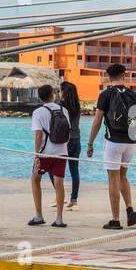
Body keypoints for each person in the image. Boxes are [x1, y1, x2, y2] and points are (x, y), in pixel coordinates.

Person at [86, 62, 136, 230]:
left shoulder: (106, 94)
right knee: (123, 176)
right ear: (124, 76)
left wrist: (90, 143)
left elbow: (97, 122)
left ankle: (115, 220)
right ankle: (129, 208)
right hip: (131, 142)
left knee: (113, 180)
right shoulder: (133, 94)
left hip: (113, 141)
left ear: (109, 77)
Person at [29, 83, 69, 228]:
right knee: (59, 184)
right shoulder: (63, 109)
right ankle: (59, 218)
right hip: (62, 151)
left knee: (35, 180)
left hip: (45, 152)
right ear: (53, 95)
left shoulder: (38, 112)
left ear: (40, 97)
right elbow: (68, 132)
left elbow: (38, 134)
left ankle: (39, 215)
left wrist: (37, 154)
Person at [57, 71, 82, 211]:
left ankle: (60, 196)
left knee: (54, 169)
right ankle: (74, 199)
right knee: (74, 171)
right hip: (76, 139)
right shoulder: (77, 106)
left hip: (64, 141)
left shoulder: (61, 106)